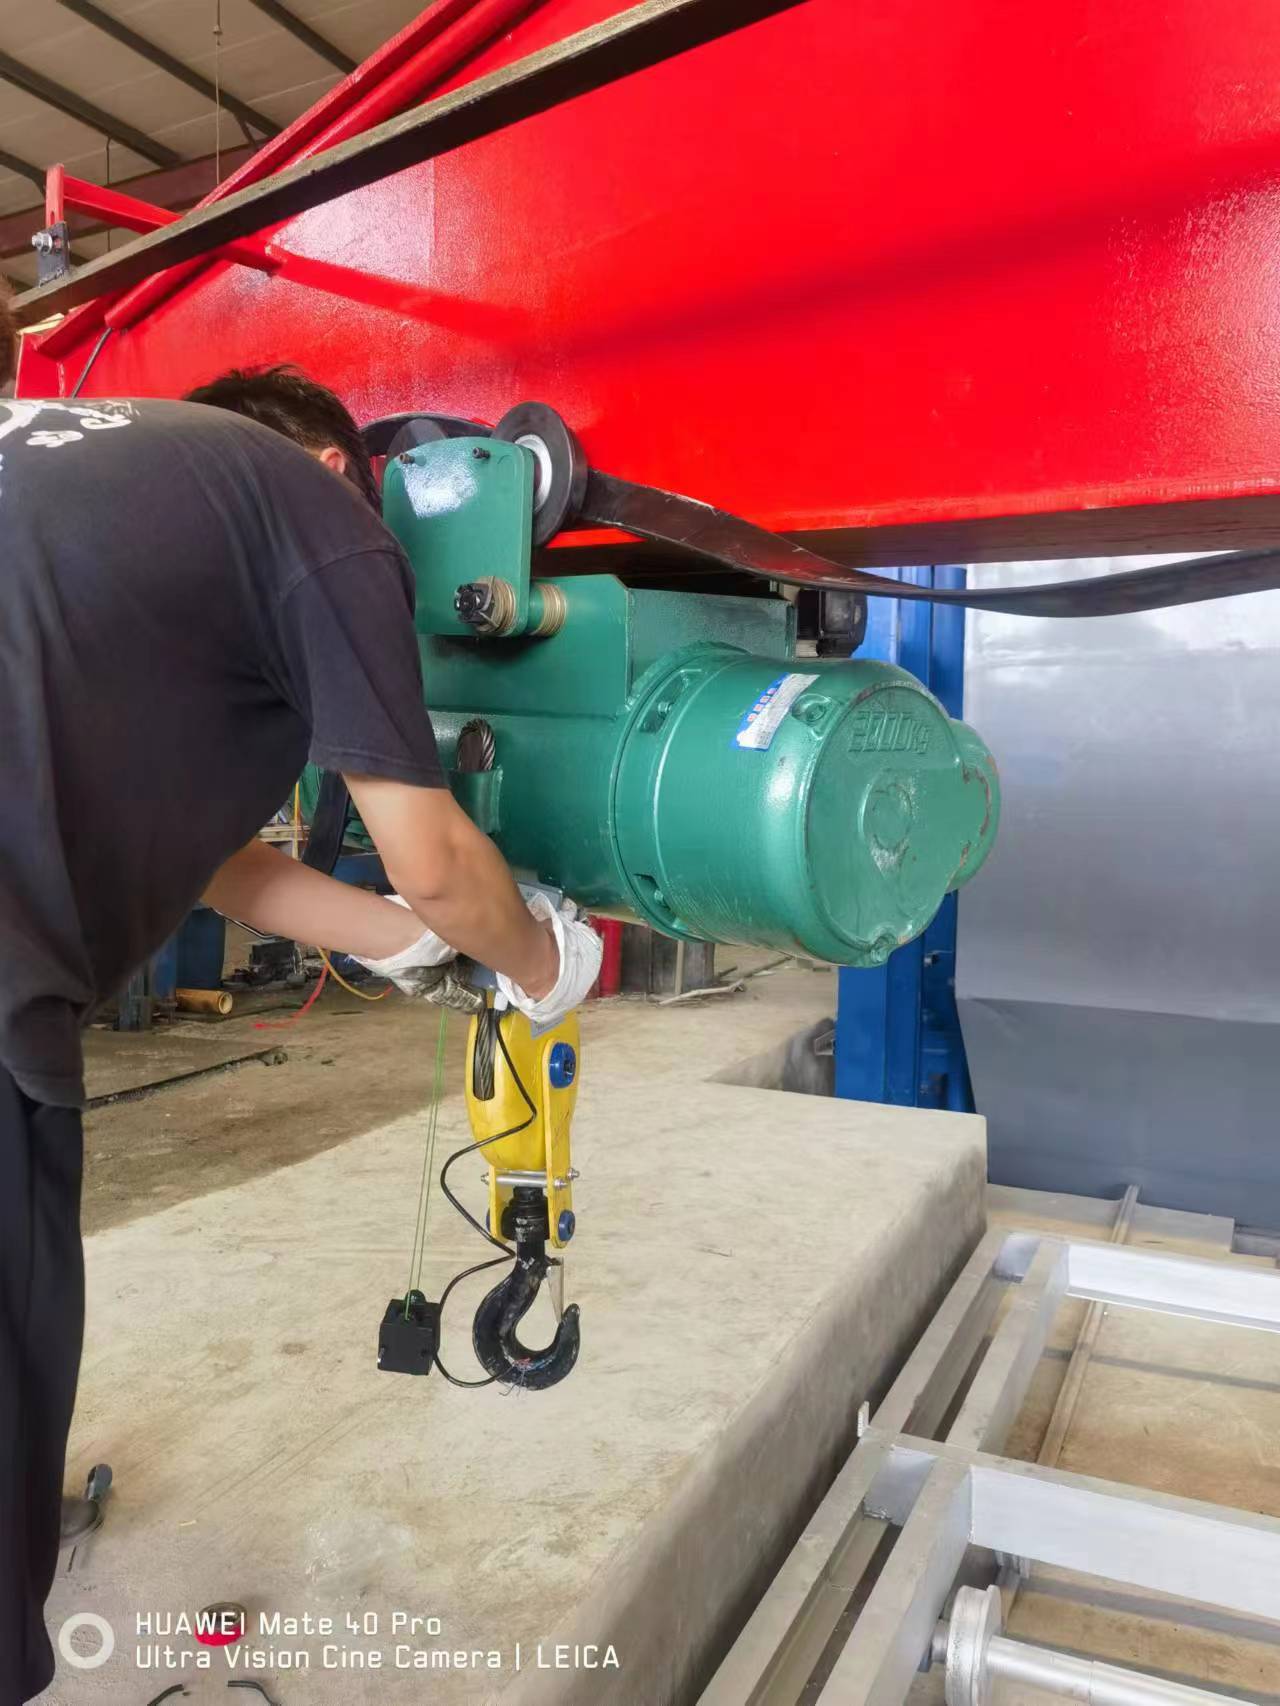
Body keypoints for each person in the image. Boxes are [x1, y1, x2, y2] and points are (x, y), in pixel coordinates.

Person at [0, 318, 601, 1703]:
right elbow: (432, 855)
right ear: (342, 467)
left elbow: (210, 855)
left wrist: (404, 946)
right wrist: (537, 958)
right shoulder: (313, 510)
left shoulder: (89, 481)